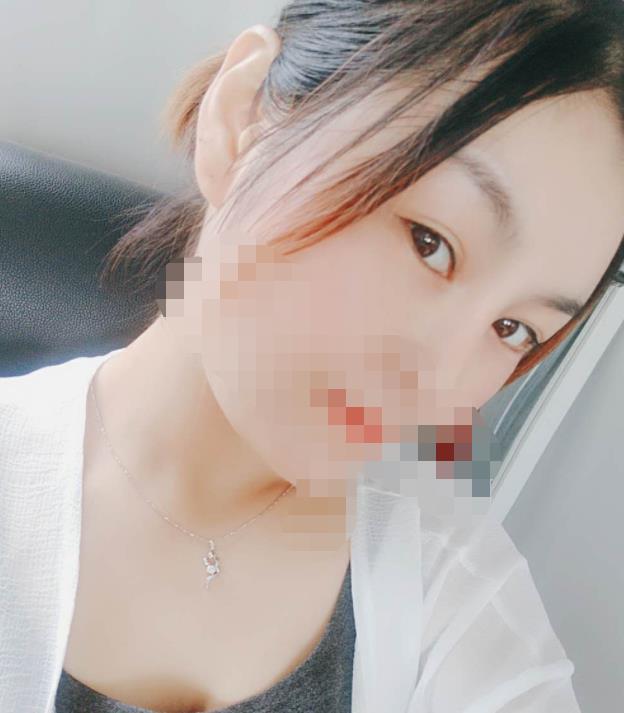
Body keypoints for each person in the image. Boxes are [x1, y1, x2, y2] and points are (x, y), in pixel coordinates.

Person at [2, 1, 624, 711]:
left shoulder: (456, 595)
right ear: (241, 118)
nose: (436, 382)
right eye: (430, 242)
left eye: (513, 329)